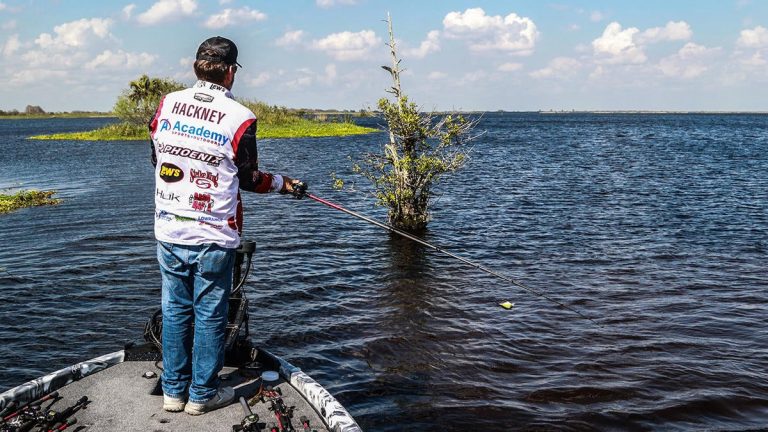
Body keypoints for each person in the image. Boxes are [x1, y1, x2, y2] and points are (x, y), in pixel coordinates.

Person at [149, 36, 306, 415]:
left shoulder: (167, 103)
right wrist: (286, 184)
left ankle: (173, 392)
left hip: (168, 227)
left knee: (174, 310)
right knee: (208, 314)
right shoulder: (241, 117)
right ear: (231, 72)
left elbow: (156, 156)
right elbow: (250, 179)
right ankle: (202, 395)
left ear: (196, 67)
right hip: (215, 234)